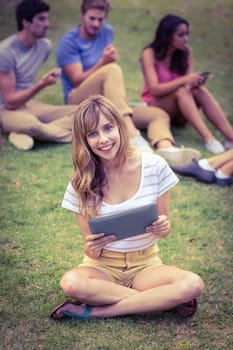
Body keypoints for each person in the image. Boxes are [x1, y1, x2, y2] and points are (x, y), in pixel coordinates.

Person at [50, 95, 204, 321]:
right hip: (102, 267)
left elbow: (165, 228)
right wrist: (92, 246)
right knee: (71, 283)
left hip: (146, 265)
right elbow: (90, 250)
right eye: (92, 134)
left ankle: (99, 312)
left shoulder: (154, 166)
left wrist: (162, 228)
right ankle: (160, 300)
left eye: (108, 128)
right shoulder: (80, 184)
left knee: (192, 284)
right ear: (84, 141)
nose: (103, 139)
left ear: (120, 127)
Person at [55, 0, 200, 166]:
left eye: (101, 19)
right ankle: (132, 136)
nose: (96, 24)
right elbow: (76, 80)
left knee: (158, 114)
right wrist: (103, 61)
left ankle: (166, 149)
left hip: (106, 102)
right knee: (112, 69)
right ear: (82, 15)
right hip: (79, 100)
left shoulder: (107, 31)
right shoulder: (68, 43)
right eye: (92, 18)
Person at [140, 14, 233, 154]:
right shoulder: (149, 53)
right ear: (168, 35)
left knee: (199, 91)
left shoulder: (186, 52)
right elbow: (154, 90)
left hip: (182, 109)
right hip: (157, 106)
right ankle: (209, 139)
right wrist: (184, 80)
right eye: (181, 35)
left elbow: (188, 86)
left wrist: (195, 81)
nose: (186, 39)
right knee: (181, 91)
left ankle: (230, 137)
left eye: (187, 34)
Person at [0, 0, 77, 151]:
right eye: (41, 19)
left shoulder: (44, 46)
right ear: (26, 23)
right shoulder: (5, 52)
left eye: (46, 18)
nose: (47, 24)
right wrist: (42, 84)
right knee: (31, 124)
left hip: (29, 104)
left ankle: (23, 132)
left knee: (85, 111)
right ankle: (76, 135)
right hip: (5, 110)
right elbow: (10, 102)